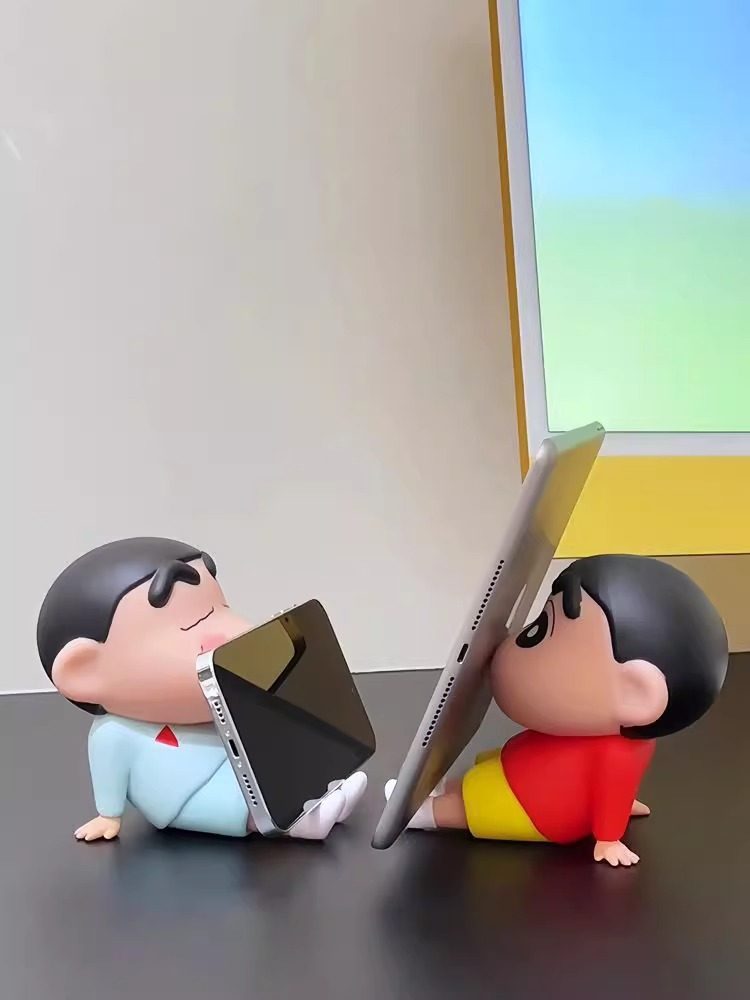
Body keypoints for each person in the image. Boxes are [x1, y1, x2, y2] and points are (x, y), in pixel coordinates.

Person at [387, 555, 728, 866]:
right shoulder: (629, 743)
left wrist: (609, 837)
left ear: (636, 695)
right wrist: (622, 806)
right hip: (522, 774)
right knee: (477, 783)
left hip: (537, 810)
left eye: (542, 630)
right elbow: (616, 788)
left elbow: (614, 786)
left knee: (473, 806)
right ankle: (434, 789)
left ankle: (423, 814)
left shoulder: (620, 751)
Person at [38, 536, 367, 842]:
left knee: (277, 771)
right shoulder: (113, 733)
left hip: (230, 765)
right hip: (182, 795)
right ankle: (304, 823)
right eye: (191, 624)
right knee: (241, 802)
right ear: (84, 674)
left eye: (220, 609)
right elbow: (109, 770)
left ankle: (324, 791)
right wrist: (108, 815)